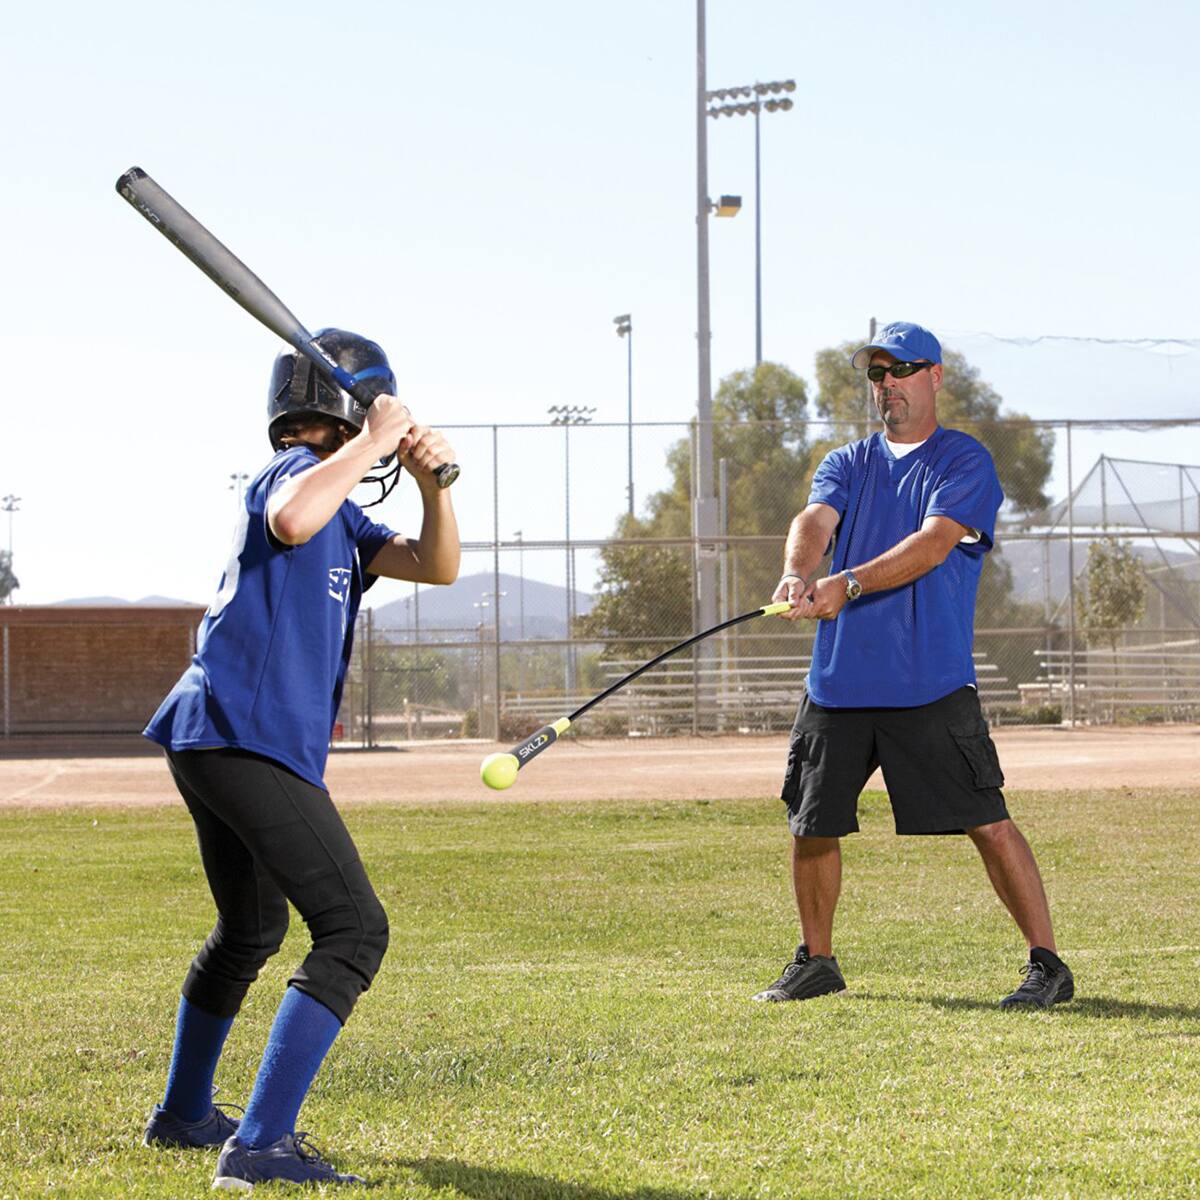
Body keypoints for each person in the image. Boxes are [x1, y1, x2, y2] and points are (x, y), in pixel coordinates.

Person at [140, 329, 460, 1188]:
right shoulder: (293, 477)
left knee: (252, 928)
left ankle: (185, 1116)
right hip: (244, 733)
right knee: (354, 930)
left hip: (229, 737)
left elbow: (438, 565)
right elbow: (289, 517)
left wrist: (430, 482)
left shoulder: (346, 513)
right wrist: (374, 439)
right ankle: (261, 1147)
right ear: (350, 411)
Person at [752, 321, 1073, 1010]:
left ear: (935, 377)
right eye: (877, 374)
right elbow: (814, 521)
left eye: (902, 370)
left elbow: (932, 545)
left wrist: (847, 585)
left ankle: (1047, 964)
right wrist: (795, 573)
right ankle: (818, 960)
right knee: (811, 824)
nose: (888, 385)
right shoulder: (847, 461)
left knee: (987, 821)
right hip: (837, 685)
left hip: (927, 683)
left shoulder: (964, 461)